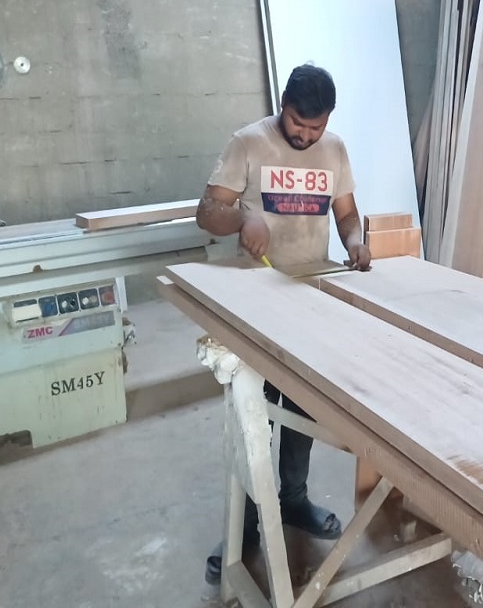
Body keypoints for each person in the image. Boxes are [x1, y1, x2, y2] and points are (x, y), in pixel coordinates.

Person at [194, 63, 372, 585]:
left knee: (300, 407)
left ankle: (293, 501)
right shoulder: (248, 143)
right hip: (256, 300)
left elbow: (346, 214)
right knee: (254, 417)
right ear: (282, 105)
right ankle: (247, 525)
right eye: (298, 123)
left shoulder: (334, 149)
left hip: (310, 296)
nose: (306, 135)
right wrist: (242, 218)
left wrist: (355, 241)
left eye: (316, 127)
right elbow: (206, 212)